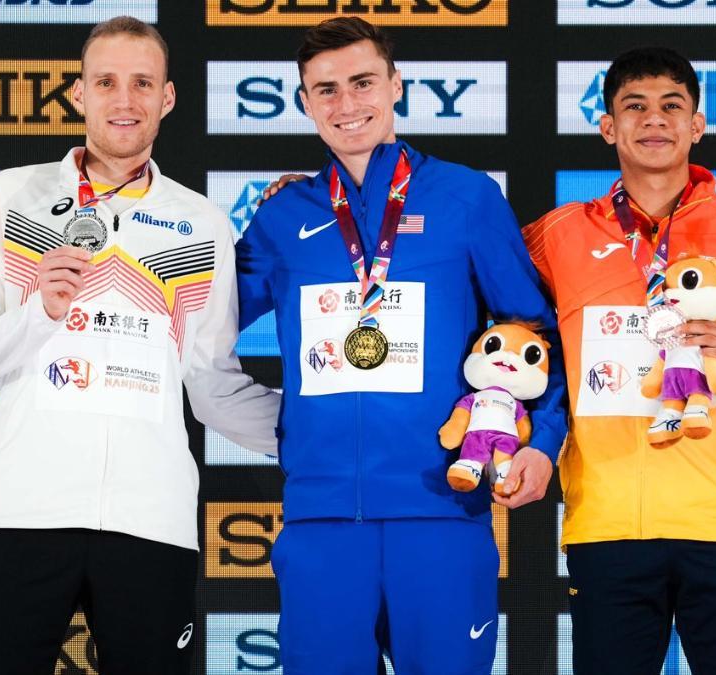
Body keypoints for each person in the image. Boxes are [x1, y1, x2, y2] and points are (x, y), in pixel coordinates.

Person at [0, 16, 278, 675]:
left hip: (151, 519)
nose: (125, 100)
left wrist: (325, 429)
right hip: (22, 511)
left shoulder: (201, 223)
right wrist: (40, 312)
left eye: (142, 83)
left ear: (167, 97)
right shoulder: (13, 196)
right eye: (106, 82)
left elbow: (212, 385)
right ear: (79, 93)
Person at [235, 17, 568, 674]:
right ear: (304, 102)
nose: (346, 103)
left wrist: (544, 438)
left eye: (362, 83)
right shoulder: (283, 214)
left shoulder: (467, 197)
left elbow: (537, 332)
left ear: (396, 86)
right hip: (321, 521)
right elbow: (200, 318)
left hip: (442, 511)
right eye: (326, 89)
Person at [521, 47, 716, 674]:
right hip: (607, 528)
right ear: (608, 127)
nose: (654, 119)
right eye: (634, 106)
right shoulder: (558, 236)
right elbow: (483, 301)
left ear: (697, 125)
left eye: (671, 106)